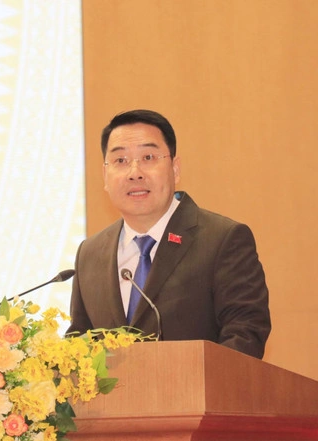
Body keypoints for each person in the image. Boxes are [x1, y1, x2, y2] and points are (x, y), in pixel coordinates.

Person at [66, 109, 271, 359]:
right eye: (120, 161)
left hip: (198, 385)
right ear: (105, 177)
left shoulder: (222, 240)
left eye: (148, 157)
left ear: (175, 169)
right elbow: (79, 344)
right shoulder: (89, 253)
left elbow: (245, 335)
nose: (134, 172)